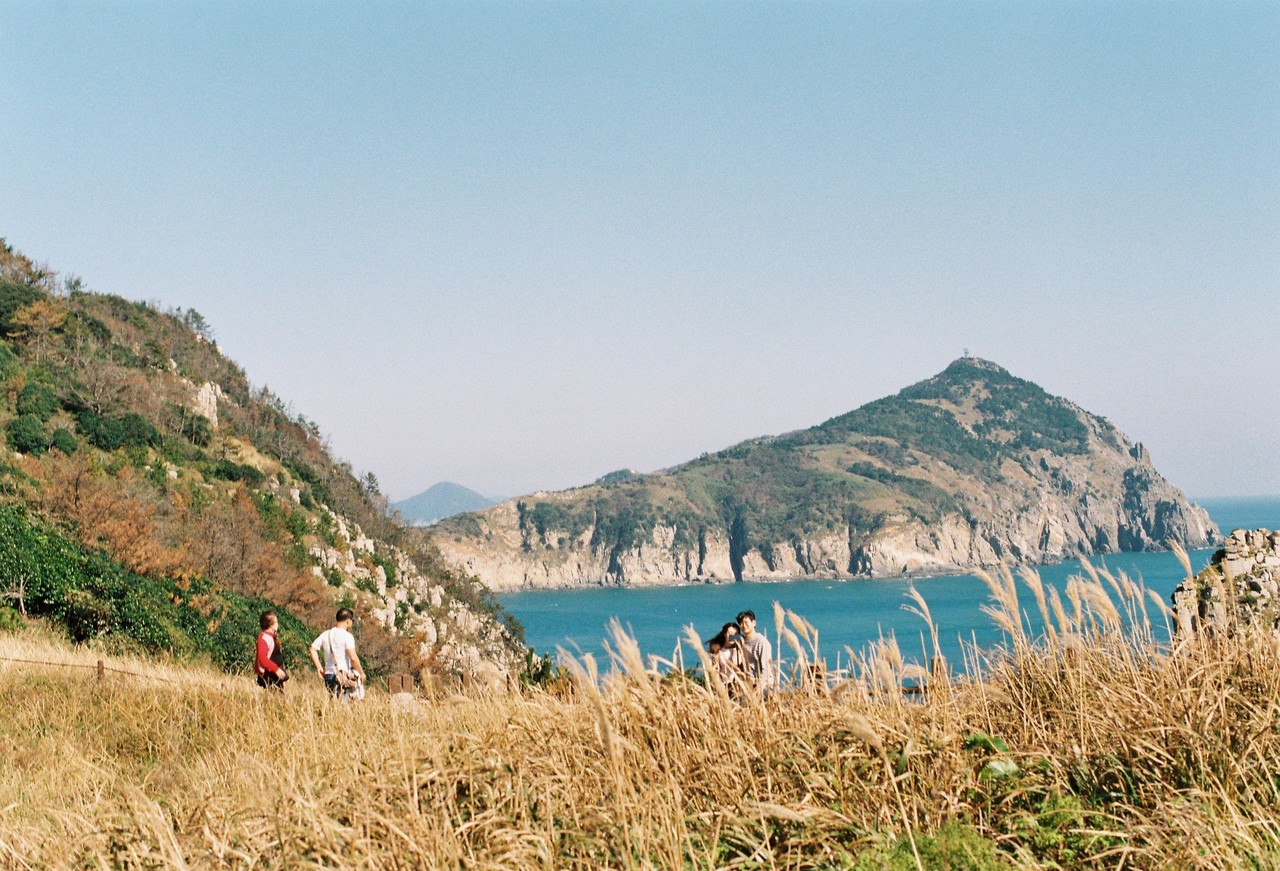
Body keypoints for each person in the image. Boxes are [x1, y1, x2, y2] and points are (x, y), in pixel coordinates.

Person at [309, 607, 365, 700]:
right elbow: (353, 657)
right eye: (352, 620)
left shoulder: (326, 634)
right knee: (343, 705)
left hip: (328, 674)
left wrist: (319, 668)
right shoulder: (347, 636)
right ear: (348, 621)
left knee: (332, 702)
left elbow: (312, 649)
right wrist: (361, 673)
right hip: (343, 675)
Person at [736, 610, 776, 696]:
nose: (743, 625)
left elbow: (766, 670)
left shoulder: (762, 642)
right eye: (741, 623)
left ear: (754, 623)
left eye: (746, 622)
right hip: (749, 683)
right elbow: (726, 637)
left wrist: (757, 690)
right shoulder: (741, 639)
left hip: (765, 684)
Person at [706, 621, 743, 699]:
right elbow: (715, 670)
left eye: (735, 634)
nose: (732, 636)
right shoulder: (718, 650)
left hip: (736, 685)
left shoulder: (739, 649)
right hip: (723, 684)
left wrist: (737, 647)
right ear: (724, 634)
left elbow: (736, 663)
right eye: (730, 633)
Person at [255, 610, 289, 692]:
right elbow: (262, 657)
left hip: (275, 677)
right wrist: (276, 670)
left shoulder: (272, 637)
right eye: (276, 622)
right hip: (269, 676)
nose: (278, 624)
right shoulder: (264, 638)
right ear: (270, 624)